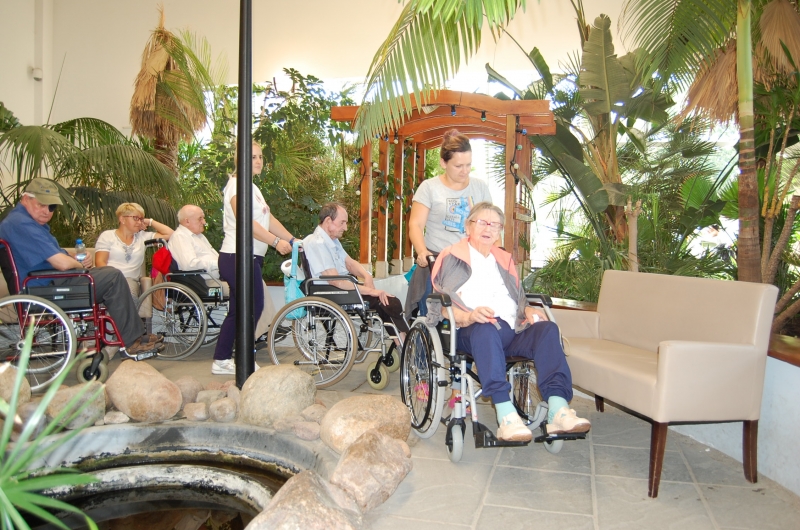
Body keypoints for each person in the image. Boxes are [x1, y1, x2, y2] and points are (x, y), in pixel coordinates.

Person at [428, 201, 590, 442]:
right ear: (468, 226)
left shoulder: (503, 259)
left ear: (499, 232)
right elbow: (441, 304)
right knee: (485, 327)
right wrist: (468, 316)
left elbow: (518, 297)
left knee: (547, 329)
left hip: (512, 330)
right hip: (470, 330)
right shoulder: (453, 256)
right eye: (482, 222)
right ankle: (506, 416)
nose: (488, 228)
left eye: (495, 224)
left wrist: (528, 309)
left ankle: (558, 409)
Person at [0, 178, 162, 357]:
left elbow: (56, 254)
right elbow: (61, 263)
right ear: (26, 199)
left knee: (109, 274)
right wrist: (79, 264)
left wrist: (74, 257)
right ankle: (132, 341)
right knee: (113, 276)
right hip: (46, 287)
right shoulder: (21, 224)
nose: (47, 211)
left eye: (51, 207)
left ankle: (131, 337)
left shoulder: (30, 223)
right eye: (41, 205)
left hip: (50, 281)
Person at [213, 142, 296, 375]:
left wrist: (291, 240)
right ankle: (238, 358)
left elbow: (268, 220)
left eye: (260, 156)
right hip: (237, 256)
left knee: (242, 309)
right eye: (252, 157)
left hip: (250, 257)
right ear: (240, 159)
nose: (258, 161)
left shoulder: (252, 188)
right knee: (251, 307)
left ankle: (224, 359)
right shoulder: (236, 186)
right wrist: (274, 242)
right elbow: (246, 221)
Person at [405, 129, 492, 318]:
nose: (465, 171)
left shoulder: (480, 187)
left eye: (468, 165)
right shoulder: (429, 188)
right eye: (458, 166)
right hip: (437, 262)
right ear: (443, 163)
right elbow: (415, 225)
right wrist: (422, 251)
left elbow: (491, 226)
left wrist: (497, 255)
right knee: (433, 316)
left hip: (470, 263)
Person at [303, 202, 409, 343]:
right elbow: (335, 281)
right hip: (332, 292)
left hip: (342, 289)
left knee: (387, 302)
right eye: (342, 223)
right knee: (388, 301)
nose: (345, 228)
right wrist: (372, 291)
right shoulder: (317, 243)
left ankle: (402, 344)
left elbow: (350, 263)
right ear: (328, 221)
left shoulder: (332, 241)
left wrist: (367, 276)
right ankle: (404, 346)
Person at [169, 204, 275, 338]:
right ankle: (256, 334)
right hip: (203, 283)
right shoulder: (180, 237)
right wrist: (219, 264)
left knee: (255, 281)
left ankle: (266, 328)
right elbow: (189, 264)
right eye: (200, 218)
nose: (204, 222)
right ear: (187, 221)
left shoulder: (198, 236)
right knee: (250, 287)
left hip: (215, 278)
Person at [95, 202, 173, 298]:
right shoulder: (107, 236)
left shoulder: (142, 237)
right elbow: (100, 262)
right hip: (109, 279)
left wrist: (149, 221)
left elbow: (171, 235)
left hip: (130, 281)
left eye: (141, 219)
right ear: (122, 219)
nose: (139, 222)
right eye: (136, 218)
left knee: (128, 292)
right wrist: (113, 280)